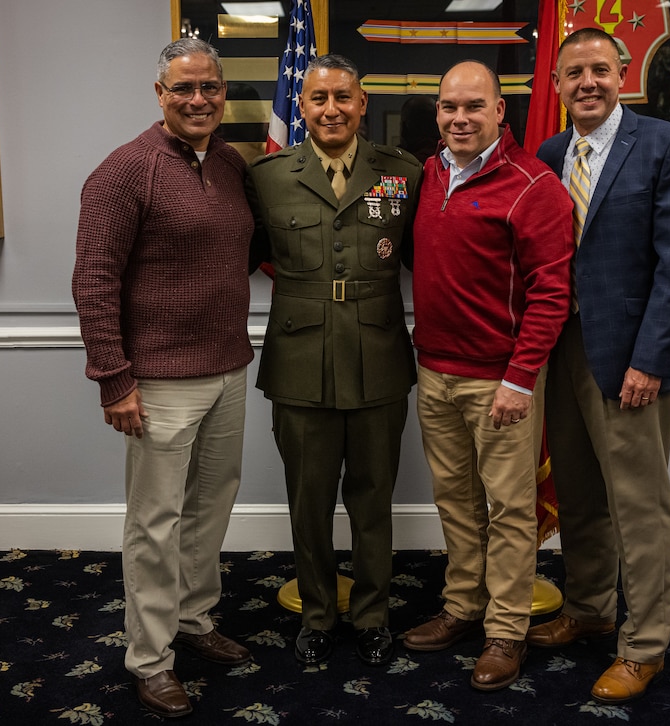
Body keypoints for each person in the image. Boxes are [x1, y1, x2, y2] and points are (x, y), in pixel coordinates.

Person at [72, 38, 254, 719]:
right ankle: (149, 658)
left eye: (209, 87)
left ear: (223, 92)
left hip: (228, 369)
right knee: (155, 523)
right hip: (158, 382)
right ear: (160, 94)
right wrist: (113, 379)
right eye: (184, 89)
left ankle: (195, 620)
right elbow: (93, 280)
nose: (198, 99)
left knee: (211, 508)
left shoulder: (233, 164)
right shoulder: (125, 172)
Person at [531, 27, 670, 704]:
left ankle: (645, 647)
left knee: (640, 506)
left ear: (623, 72)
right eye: (574, 73)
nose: (588, 83)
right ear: (557, 85)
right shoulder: (549, 153)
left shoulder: (666, 144)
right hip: (563, 350)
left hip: (632, 359)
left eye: (600, 69)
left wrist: (650, 359)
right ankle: (591, 606)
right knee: (577, 494)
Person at [246, 53, 422, 669]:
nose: (331, 109)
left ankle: (372, 616)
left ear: (363, 103)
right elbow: (234, 258)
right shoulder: (267, 175)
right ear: (301, 105)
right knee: (309, 501)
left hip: (378, 357)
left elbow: (429, 263)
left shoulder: (403, 172)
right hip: (299, 360)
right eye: (318, 98)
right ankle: (318, 614)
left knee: (374, 500)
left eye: (343, 97)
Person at [404, 60, 574, 692]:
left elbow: (551, 295)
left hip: (500, 382)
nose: (460, 118)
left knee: (509, 508)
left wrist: (521, 377)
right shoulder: (426, 173)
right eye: (449, 107)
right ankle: (462, 605)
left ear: (501, 111)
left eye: (474, 106)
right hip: (435, 373)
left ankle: (506, 630)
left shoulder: (534, 185)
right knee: (456, 501)